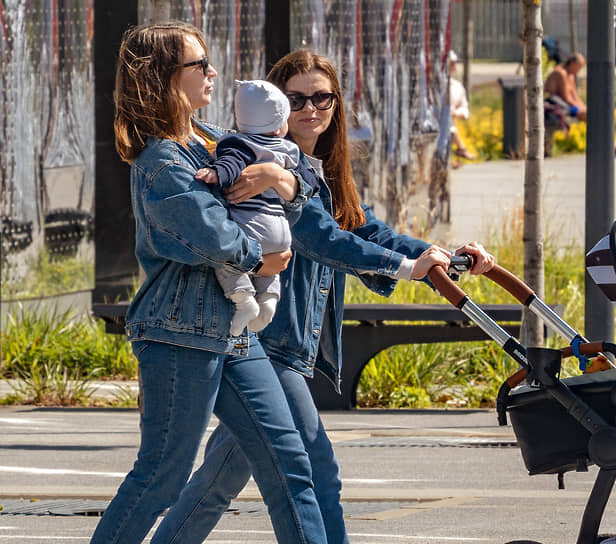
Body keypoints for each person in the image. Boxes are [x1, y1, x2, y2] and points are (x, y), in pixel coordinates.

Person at [152, 50, 496, 544]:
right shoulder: (256, 161)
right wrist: (408, 267)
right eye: (297, 99)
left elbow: (363, 230)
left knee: (219, 481)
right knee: (314, 467)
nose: (310, 109)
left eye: (322, 97)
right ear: (274, 102)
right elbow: (320, 237)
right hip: (265, 342)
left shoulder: (321, 171)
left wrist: (438, 255)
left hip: (279, 346)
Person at [92, 23, 326, 544]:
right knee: (161, 479)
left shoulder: (211, 140)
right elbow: (215, 237)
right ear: (164, 79)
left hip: (234, 330)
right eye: (200, 65)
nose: (213, 72)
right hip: (179, 332)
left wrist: (281, 181)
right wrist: (262, 255)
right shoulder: (162, 163)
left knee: (291, 464)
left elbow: (303, 181)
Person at [195, 79, 299, 335]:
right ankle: (269, 301)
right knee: (270, 274)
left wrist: (215, 173)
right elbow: (307, 183)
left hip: (252, 227)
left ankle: (243, 300)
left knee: (226, 260)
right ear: (279, 125)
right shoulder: (289, 150)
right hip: (281, 232)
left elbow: (230, 164)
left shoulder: (239, 144)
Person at [545, 53, 616, 158]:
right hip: (558, 107)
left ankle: (614, 147)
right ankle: (613, 148)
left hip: (568, 107)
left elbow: (575, 97)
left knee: (597, 114)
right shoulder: (560, 73)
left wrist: (585, 107)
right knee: (594, 116)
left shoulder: (570, 75)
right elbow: (567, 98)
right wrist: (583, 109)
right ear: (572, 63)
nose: (579, 70)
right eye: (579, 67)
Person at [447, 50, 477, 162]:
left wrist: (455, 113)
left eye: (454, 64)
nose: (453, 67)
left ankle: (457, 152)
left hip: (449, 123)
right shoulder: (432, 85)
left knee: (448, 120)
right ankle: (460, 149)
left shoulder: (457, 86)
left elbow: (465, 109)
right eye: (450, 64)